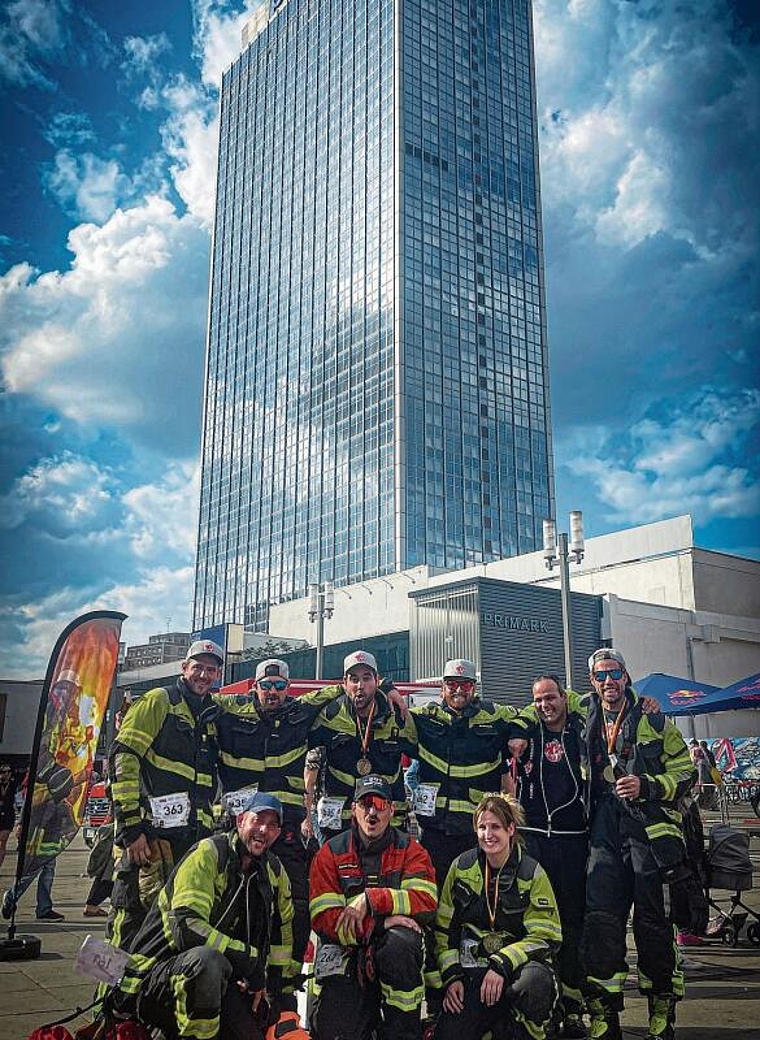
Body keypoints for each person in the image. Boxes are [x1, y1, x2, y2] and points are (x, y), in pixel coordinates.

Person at [109, 792, 296, 1040]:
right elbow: (187, 929)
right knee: (207, 961)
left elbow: (282, 936)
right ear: (240, 821)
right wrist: (248, 960)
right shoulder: (208, 854)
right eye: (257, 820)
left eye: (273, 825)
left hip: (222, 980)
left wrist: (276, 992)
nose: (264, 829)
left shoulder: (273, 871)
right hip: (154, 977)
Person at [581, 648, 695, 1040]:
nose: (608, 682)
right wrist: (389, 691)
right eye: (600, 676)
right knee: (601, 925)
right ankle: (604, 1014)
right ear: (592, 682)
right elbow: (540, 702)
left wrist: (648, 786)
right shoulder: (584, 717)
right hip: (603, 834)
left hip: (650, 834)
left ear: (626, 676)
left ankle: (661, 1013)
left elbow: (687, 772)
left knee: (654, 925)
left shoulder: (654, 718)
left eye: (614, 674)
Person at [215, 658, 352, 970]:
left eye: (278, 686)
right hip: (240, 829)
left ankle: (287, 976)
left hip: (285, 828)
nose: (272, 692)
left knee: (297, 904)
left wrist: (385, 686)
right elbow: (201, 697)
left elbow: (341, 687)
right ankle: (234, 970)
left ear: (287, 688)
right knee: (234, 901)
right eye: (266, 686)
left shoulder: (299, 712)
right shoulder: (231, 709)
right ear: (255, 686)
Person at [107, 639, 225, 950]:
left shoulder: (210, 713)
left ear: (218, 675)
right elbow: (123, 757)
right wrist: (131, 829)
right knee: (129, 926)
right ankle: (108, 998)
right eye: (197, 667)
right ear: (184, 668)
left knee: (166, 930)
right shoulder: (160, 700)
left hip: (185, 842)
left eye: (210, 669)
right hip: (145, 839)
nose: (203, 674)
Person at [308, 773, 438, 1040]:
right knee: (333, 1032)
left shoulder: (411, 850)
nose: (372, 813)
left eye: (379, 805)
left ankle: (401, 1031)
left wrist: (371, 899)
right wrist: (380, 923)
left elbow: (425, 902)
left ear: (391, 810)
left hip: (393, 954)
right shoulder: (330, 853)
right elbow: (324, 919)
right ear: (352, 810)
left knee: (403, 942)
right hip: (347, 953)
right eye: (364, 804)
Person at [434, 793, 560, 1040]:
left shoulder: (532, 873)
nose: (488, 835)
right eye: (482, 827)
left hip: (517, 971)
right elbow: (443, 930)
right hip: (473, 972)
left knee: (535, 983)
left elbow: (546, 936)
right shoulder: (461, 867)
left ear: (511, 829)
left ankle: (532, 1031)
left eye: (495, 827)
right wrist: (451, 978)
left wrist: (502, 963)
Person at [512, 675, 589, 1038]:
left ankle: (573, 1005)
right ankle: (538, 1003)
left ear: (564, 697)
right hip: (534, 841)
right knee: (536, 921)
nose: (545, 706)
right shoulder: (528, 731)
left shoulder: (580, 728)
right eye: (539, 700)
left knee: (573, 924)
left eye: (551, 698)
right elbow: (508, 721)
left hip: (574, 840)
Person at [408, 659, 521, 890]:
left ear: (474, 688)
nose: (458, 690)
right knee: (434, 891)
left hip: (476, 833)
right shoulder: (425, 717)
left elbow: (528, 715)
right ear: (443, 687)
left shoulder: (494, 717)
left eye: (466, 685)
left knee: (475, 894)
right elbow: (392, 714)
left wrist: (518, 733)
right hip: (434, 831)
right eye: (452, 684)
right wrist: (388, 688)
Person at [308, 651, 417, 837]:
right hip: (340, 827)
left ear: (376, 680)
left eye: (367, 678)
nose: (360, 686)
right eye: (354, 679)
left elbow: (425, 754)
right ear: (344, 683)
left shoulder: (399, 717)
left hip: (387, 826)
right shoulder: (329, 716)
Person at [0, 761, 17, 870]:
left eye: (8, 771)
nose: (6, 774)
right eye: (3, 771)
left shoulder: (13, 784)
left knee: (3, 840)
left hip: (8, 815)